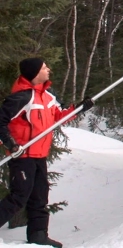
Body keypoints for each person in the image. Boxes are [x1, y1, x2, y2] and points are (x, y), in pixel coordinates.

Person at [0, 58, 94, 247]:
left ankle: (38, 235)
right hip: (22, 156)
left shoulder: (49, 96)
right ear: (34, 73)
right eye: (44, 67)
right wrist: (11, 144)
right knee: (19, 197)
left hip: (39, 156)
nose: (48, 69)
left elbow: (59, 117)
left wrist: (79, 109)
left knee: (40, 197)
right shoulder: (21, 98)